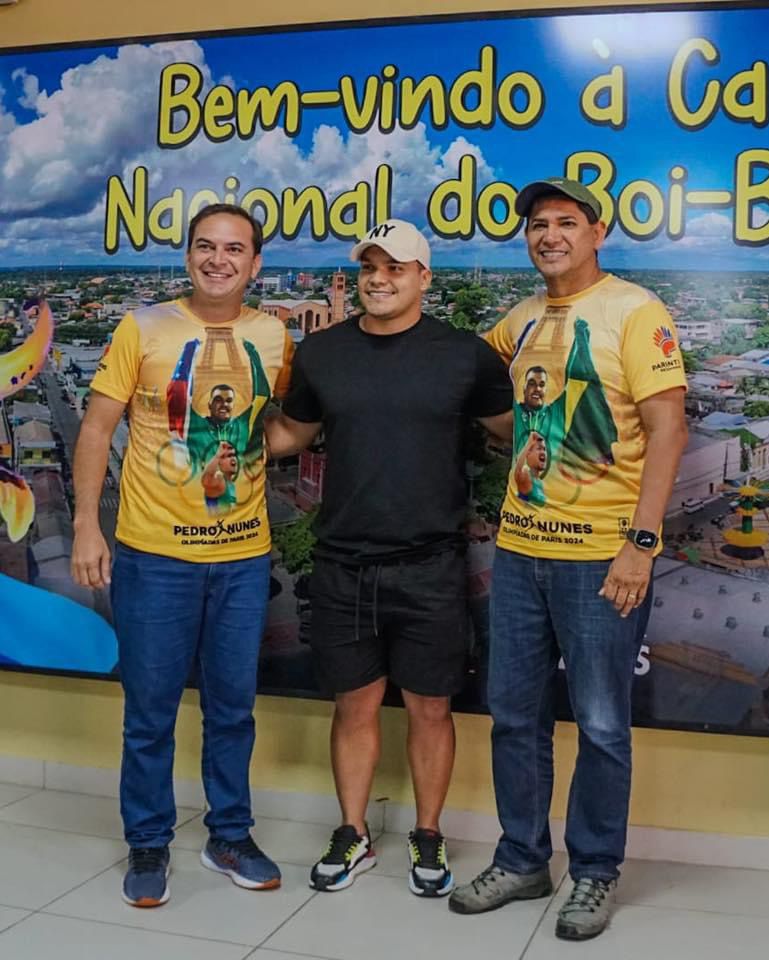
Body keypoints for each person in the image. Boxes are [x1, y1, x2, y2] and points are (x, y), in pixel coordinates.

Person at [449, 178, 688, 940]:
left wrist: (640, 545)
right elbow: (482, 387)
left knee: (601, 724)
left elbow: (669, 429)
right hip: (521, 552)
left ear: (595, 232)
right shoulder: (520, 318)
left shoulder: (633, 311)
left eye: (564, 222)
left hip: (600, 559)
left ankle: (593, 871)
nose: (548, 235)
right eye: (536, 225)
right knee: (514, 716)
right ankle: (522, 859)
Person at [265, 219, 513, 898]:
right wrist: (222, 431)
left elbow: (514, 430)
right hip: (343, 562)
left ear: (423, 277)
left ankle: (427, 834)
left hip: (431, 564)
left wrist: (575, 424)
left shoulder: (464, 355)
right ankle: (353, 832)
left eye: (395, 267)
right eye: (369, 267)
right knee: (354, 706)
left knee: (431, 709)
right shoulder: (322, 352)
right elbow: (293, 434)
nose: (378, 279)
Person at [71, 203, 294, 908]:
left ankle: (229, 835)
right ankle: (147, 842)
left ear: (255, 264)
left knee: (232, 710)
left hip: (242, 559)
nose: (218, 259)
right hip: (154, 558)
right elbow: (96, 429)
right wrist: (85, 525)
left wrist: (268, 443)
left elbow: (283, 425)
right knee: (150, 714)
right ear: (188, 254)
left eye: (234, 249)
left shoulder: (273, 335)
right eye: (206, 246)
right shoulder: (143, 327)